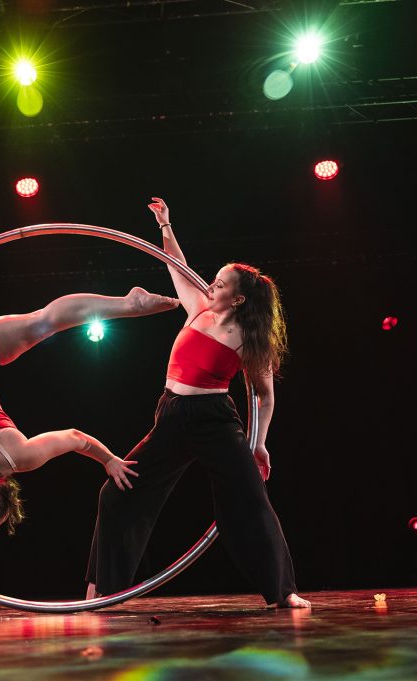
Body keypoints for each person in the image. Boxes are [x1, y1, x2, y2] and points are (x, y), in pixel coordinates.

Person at [85, 197, 311, 609]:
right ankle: (104, 589)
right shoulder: (197, 309)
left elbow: (263, 394)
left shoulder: (247, 338)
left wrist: (258, 443)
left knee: (250, 501)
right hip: (170, 416)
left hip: (215, 422)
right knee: (116, 493)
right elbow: (175, 265)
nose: (211, 285)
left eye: (221, 284)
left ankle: (284, 591)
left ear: (239, 299)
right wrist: (165, 227)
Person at [0, 287, 180, 620]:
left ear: (6, 489)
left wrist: (109, 460)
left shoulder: (17, 457)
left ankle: (130, 304)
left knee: (42, 323)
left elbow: (75, 437)